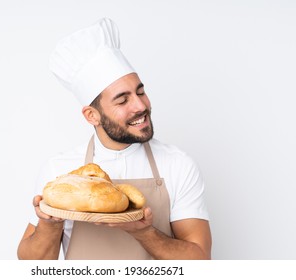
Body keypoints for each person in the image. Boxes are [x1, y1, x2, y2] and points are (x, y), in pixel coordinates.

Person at [17, 18, 211, 260]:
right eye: (122, 100)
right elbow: (33, 266)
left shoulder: (177, 165)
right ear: (92, 116)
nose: (141, 106)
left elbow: (200, 260)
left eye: (140, 92)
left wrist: (144, 232)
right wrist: (50, 224)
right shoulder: (60, 172)